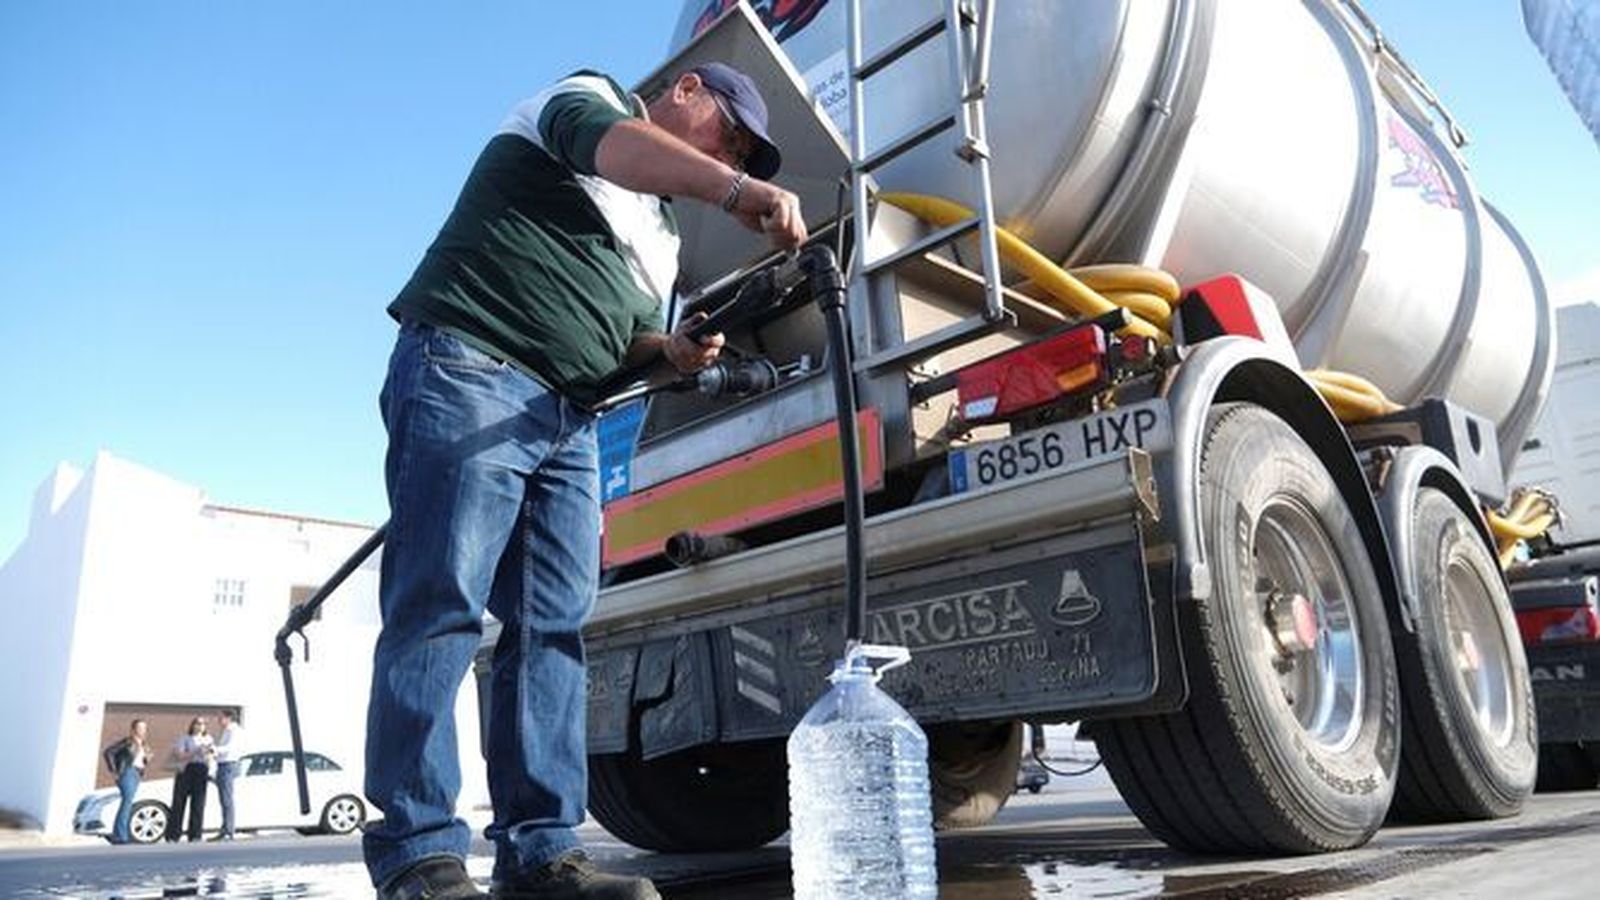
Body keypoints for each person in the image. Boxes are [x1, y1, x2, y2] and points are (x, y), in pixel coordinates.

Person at [364, 62, 805, 900]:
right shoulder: (590, 100)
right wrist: (735, 187)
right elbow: (619, 149)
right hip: (471, 365)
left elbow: (635, 334)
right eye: (731, 133)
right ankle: (419, 854)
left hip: (570, 416)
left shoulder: (664, 236)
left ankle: (541, 855)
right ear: (687, 94)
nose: (734, 152)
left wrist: (669, 351)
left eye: (743, 150)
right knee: (440, 606)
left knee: (552, 629)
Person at [165, 716, 214, 842]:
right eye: (198, 723)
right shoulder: (185, 738)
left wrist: (209, 754)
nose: (200, 726)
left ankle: (195, 834)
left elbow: (212, 755)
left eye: (203, 724)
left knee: (198, 803)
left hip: (201, 769)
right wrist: (196, 750)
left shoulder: (208, 739)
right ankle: (173, 834)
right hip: (187, 769)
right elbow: (180, 755)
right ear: (192, 725)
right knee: (179, 802)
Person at [102, 719, 149, 844]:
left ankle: (119, 834)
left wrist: (146, 759)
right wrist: (115, 771)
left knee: (127, 803)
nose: (143, 730)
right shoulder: (127, 742)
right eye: (140, 728)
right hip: (127, 773)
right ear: (133, 729)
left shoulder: (143, 744)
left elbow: (141, 760)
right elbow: (108, 752)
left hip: (137, 774)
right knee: (127, 803)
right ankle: (120, 836)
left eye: (144, 728)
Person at [211, 709, 244, 841]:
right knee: (223, 799)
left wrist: (214, 749)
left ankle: (229, 830)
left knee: (227, 799)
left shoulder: (234, 731)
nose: (218, 720)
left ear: (228, 718)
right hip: (223, 765)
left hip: (229, 765)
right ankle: (225, 828)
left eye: (221, 717)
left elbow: (231, 748)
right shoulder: (226, 731)